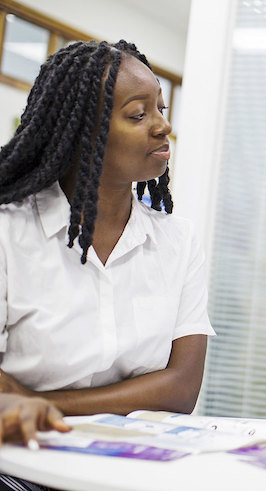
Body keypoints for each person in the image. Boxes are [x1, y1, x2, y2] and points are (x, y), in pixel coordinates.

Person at [0, 40, 215, 417]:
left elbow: (180, 390)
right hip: (21, 461)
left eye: (161, 110)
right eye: (138, 114)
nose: (163, 126)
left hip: (134, 463)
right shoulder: (9, 231)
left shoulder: (179, 242)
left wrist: (38, 402)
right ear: (83, 133)